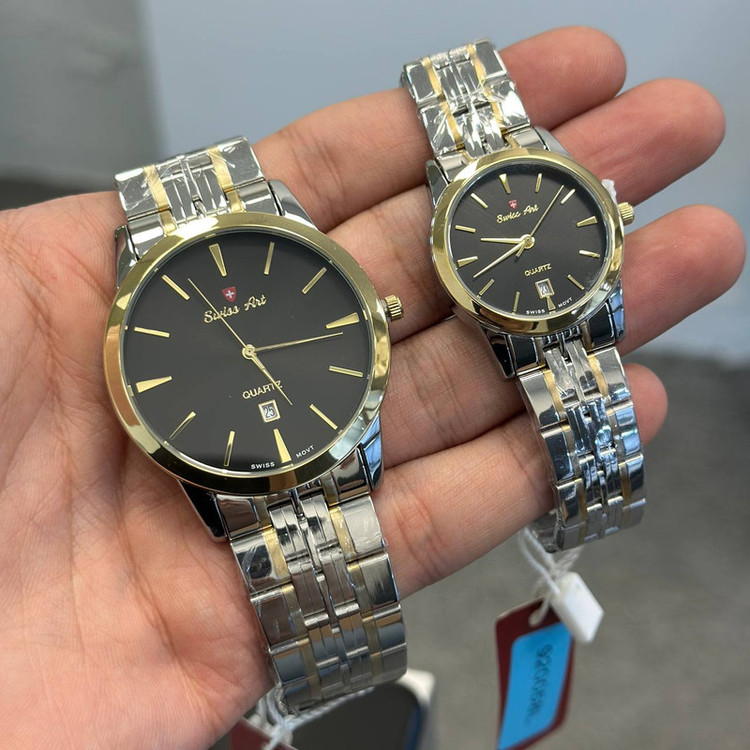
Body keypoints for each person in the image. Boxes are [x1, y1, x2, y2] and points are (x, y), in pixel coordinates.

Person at [0, 26, 743, 750]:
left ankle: (329, 689)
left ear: (374, 316)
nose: (250, 349)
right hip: (236, 467)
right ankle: (329, 686)